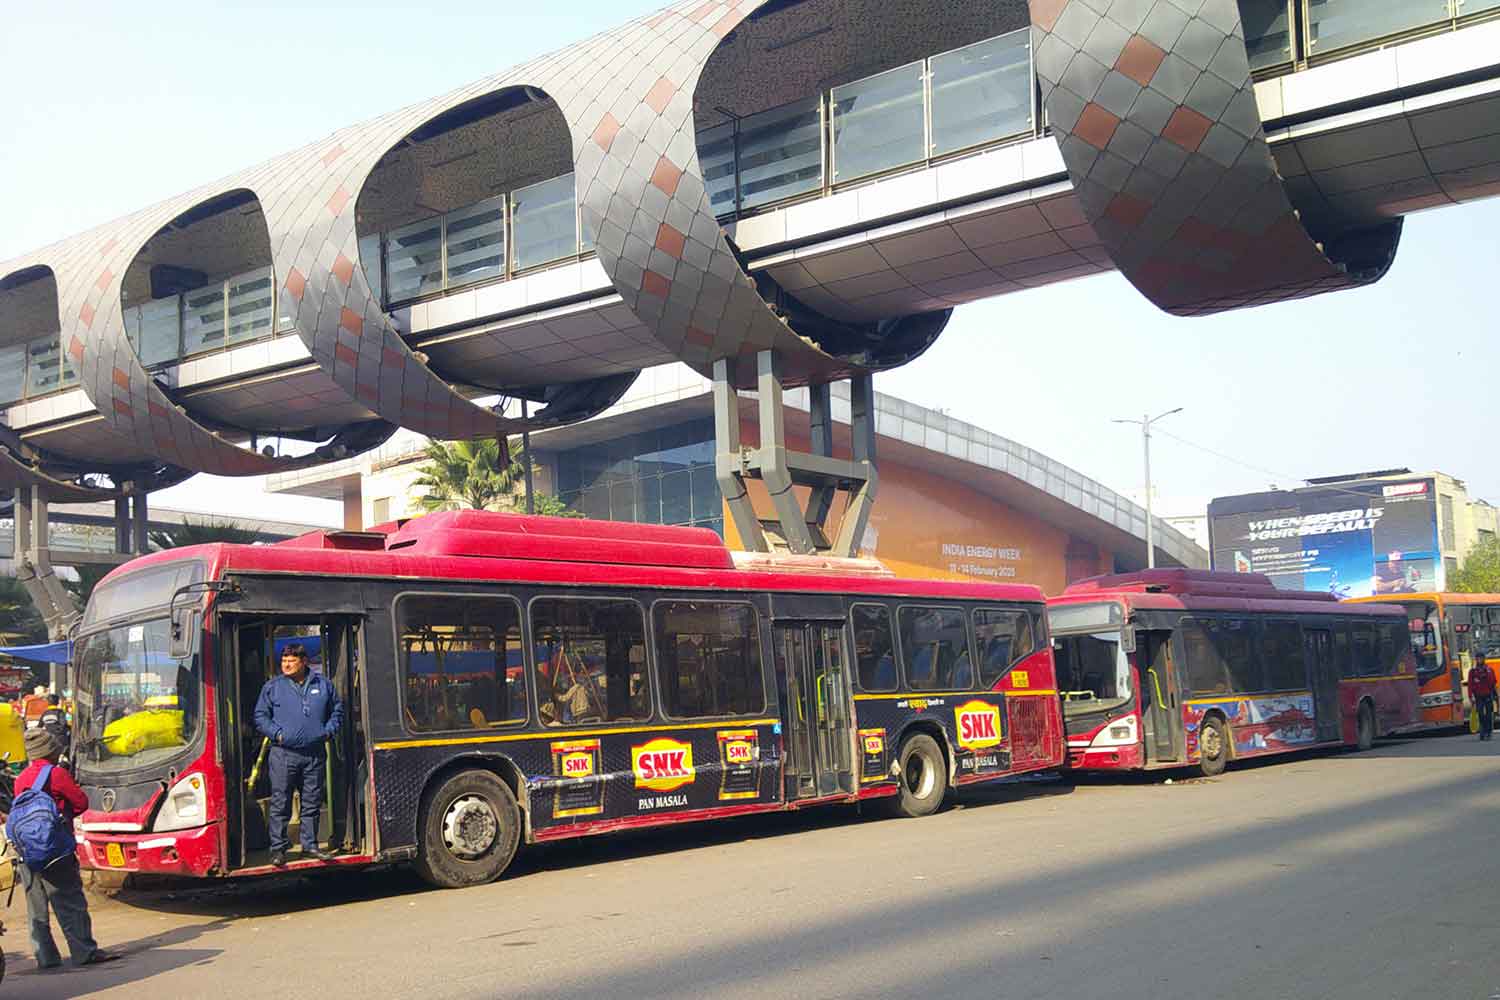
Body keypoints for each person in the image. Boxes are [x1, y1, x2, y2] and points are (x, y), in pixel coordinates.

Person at [12, 729, 118, 968]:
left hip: (26, 851)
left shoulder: (21, 778)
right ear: (52, 751)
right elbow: (81, 803)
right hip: (55, 849)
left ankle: (46, 958)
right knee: (69, 900)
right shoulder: (57, 774)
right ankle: (84, 952)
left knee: (36, 907)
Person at [253, 642, 343, 866]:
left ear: (304, 662)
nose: (286, 665)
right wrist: (278, 734)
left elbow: (338, 711)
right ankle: (279, 848)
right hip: (283, 754)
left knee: (311, 802)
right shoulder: (272, 687)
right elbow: (260, 717)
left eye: (291, 661)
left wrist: (327, 732)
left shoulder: (323, 685)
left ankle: (310, 846)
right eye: (284, 661)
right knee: (280, 802)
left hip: (314, 754)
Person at [1469, 652, 1497, 741]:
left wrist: (1495, 696)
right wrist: (1471, 696)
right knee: (1480, 714)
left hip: (1488, 694)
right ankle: (1483, 731)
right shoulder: (1473, 671)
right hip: (1478, 696)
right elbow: (1470, 685)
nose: (1479, 660)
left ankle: (1488, 732)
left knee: (1489, 715)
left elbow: (1493, 683)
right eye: (1477, 658)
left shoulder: (1489, 669)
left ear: (1483, 659)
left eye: (1480, 658)